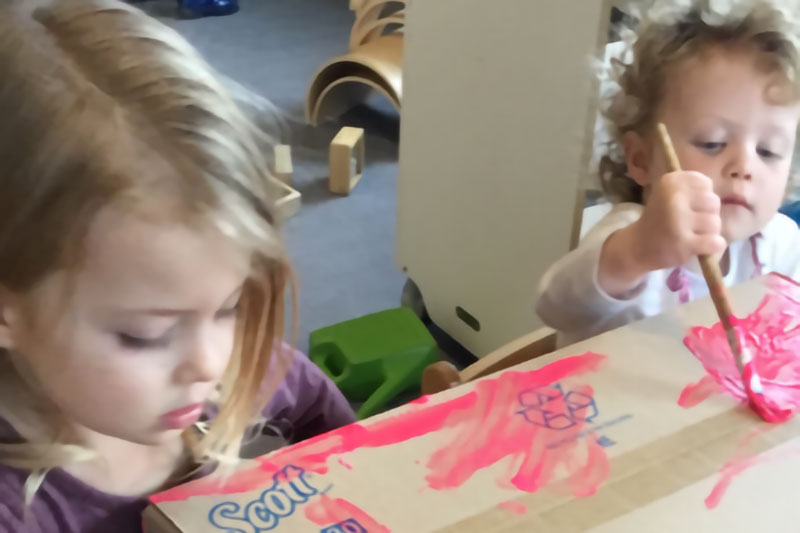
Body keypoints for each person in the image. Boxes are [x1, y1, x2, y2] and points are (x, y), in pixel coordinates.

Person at [0, 1, 355, 531]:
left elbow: (346, 447)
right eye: (148, 334)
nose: (211, 364)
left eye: (231, 307)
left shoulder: (252, 377)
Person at [536, 0, 800, 347]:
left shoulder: (781, 244)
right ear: (641, 159)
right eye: (712, 142)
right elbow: (554, 308)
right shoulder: (630, 232)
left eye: (768, 151)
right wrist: (637, 251)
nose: (744, 166)